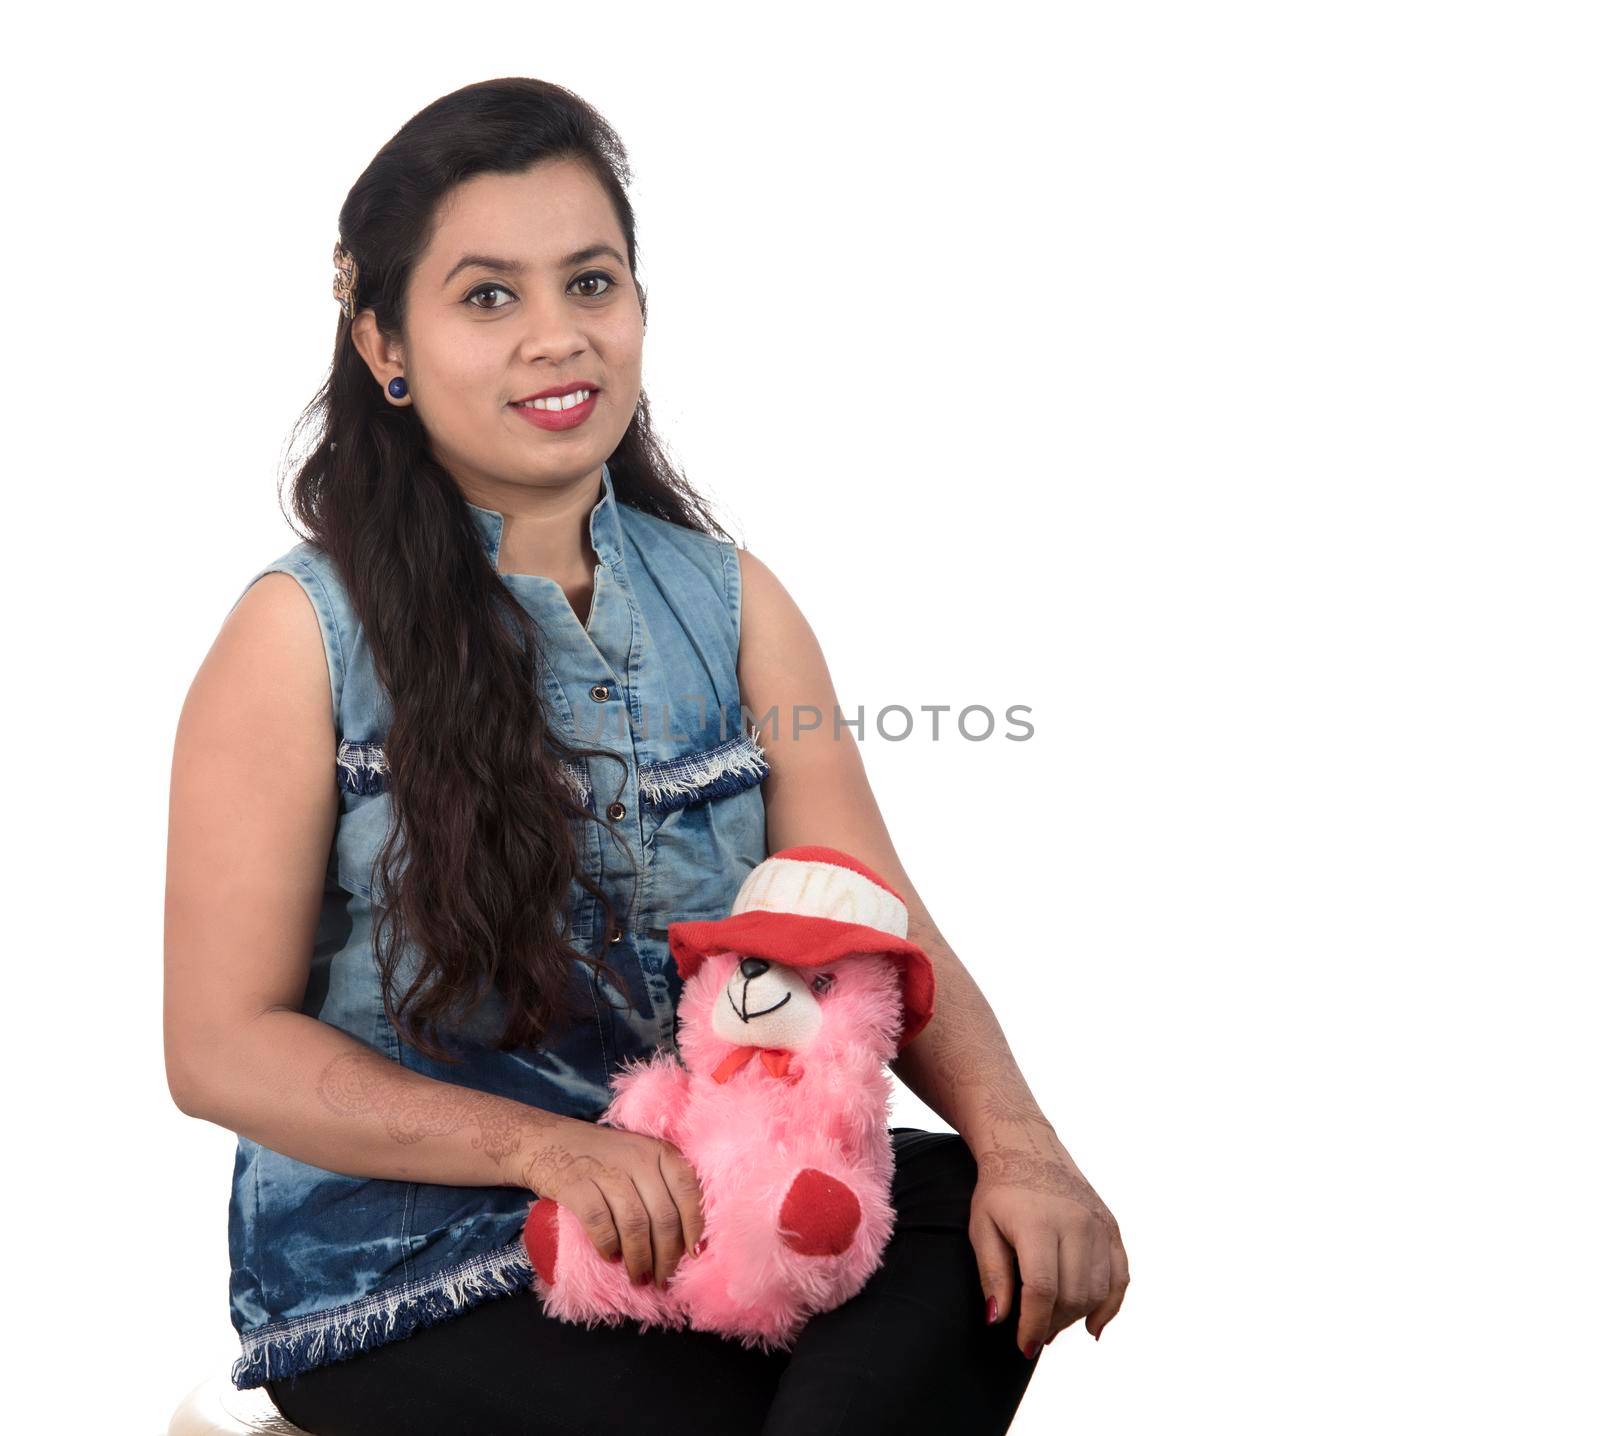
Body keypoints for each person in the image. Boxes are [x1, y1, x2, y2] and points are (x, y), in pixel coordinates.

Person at [163, 77, 1128, 1435]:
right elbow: (218, 1048)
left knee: (979, 1215)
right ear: (385, 341)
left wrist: (1028, 1150)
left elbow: (864, 913)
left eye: (591, 283)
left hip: (708, 1219)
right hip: (415, 1267)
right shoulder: (298, 633)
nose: (557, 339)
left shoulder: (734, 606)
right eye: (487, 296)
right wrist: (547, 1152)